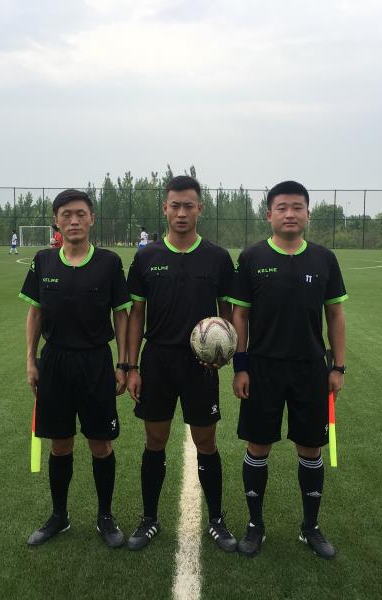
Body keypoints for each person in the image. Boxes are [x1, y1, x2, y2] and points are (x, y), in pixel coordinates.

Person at [228, 180, 347, 559]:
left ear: (308, 213)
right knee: (257, 445)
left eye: (297, 207)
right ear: (269, 214)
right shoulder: (251, 257)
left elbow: (335, 314)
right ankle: (255, 526)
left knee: (310, 448)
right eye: (282, 208)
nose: (290, 214)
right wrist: (240, 367)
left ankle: (310, 527)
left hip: (310, 369)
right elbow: (240, 315)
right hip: (262, 368)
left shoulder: (324, 259)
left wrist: (338, 367)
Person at [125, 175, 237, 552]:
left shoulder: (218, 258)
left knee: (206, 441)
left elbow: (227, 313)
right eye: (175, 205)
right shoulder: (146, 257)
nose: (182, 212)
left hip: (200, 366)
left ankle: (217, 520)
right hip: (157, 361)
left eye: (189, 205)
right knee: (154, 439)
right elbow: (136, 315)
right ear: (165, 209)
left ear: (200, 209)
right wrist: (132, 366)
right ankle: (149, 519)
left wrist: (224, 353)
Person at [20, 189, 132, 548]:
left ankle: (105, 517)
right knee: (60, 444)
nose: (74, 220)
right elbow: (35, 313)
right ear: (56, 220)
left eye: (81, 214)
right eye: (66, 214)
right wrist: (31, 360)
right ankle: (59, 516)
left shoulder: (109, 263)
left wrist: (123, 363)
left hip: (96, 362)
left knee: (100, 443)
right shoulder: (43, 261)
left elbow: (122, 315)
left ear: (92, 219)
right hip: (54, 362)